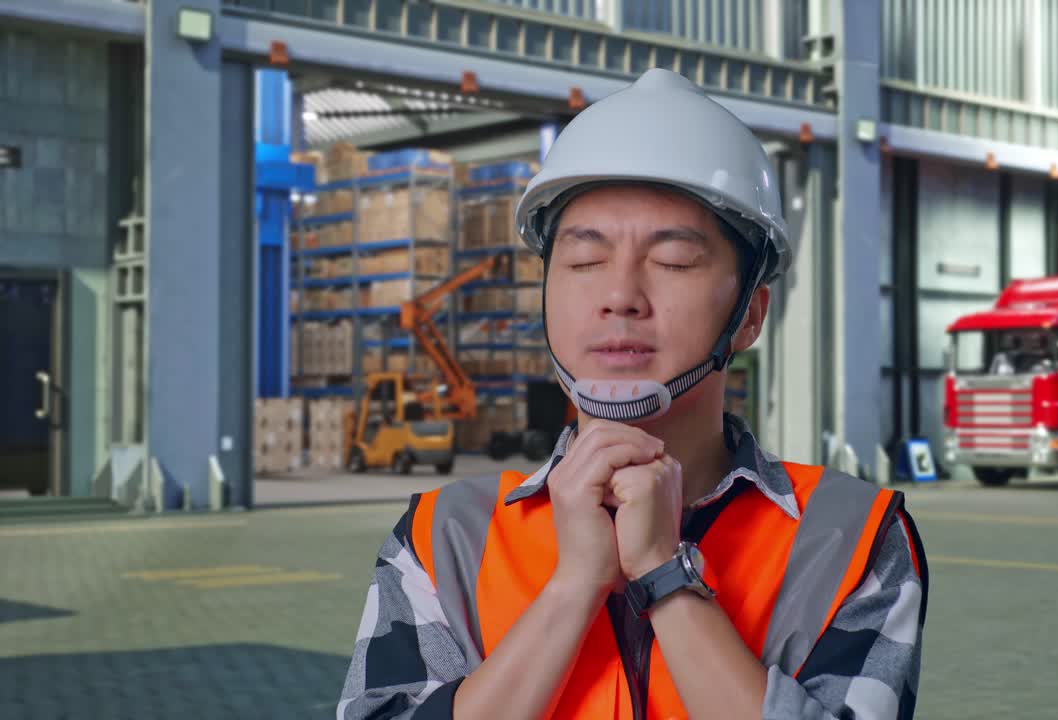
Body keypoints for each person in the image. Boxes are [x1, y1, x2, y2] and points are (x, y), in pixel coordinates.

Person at [336, 68, 929, 720]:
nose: (619, 296)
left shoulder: (847, 538)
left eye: (673, 261)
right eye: (584, 262)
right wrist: (572, 588)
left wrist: (664, 575)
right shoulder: (444, 537)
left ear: (752, 315)